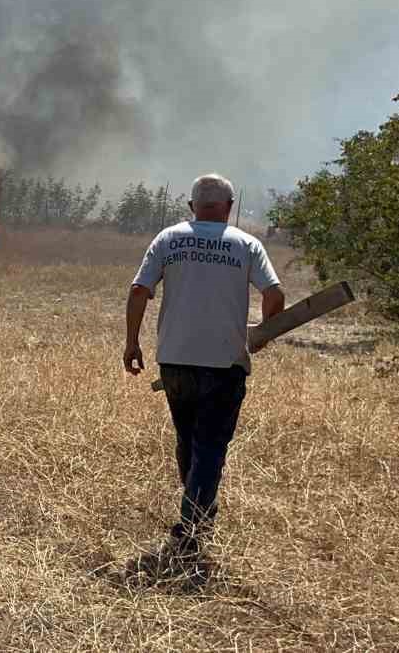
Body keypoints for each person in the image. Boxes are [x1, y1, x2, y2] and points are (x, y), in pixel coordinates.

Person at [124, 174, 284, 570]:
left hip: (175, 361)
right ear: (229, 206)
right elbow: (275, 294)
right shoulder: (246, 244)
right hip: (224, 364)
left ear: (192, 207)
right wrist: (262, 335)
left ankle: (197, 508)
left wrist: (132, 343)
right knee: (210, 446)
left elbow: (138, 290)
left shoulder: (168, 238)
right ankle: (192, 528)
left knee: (189, 439)